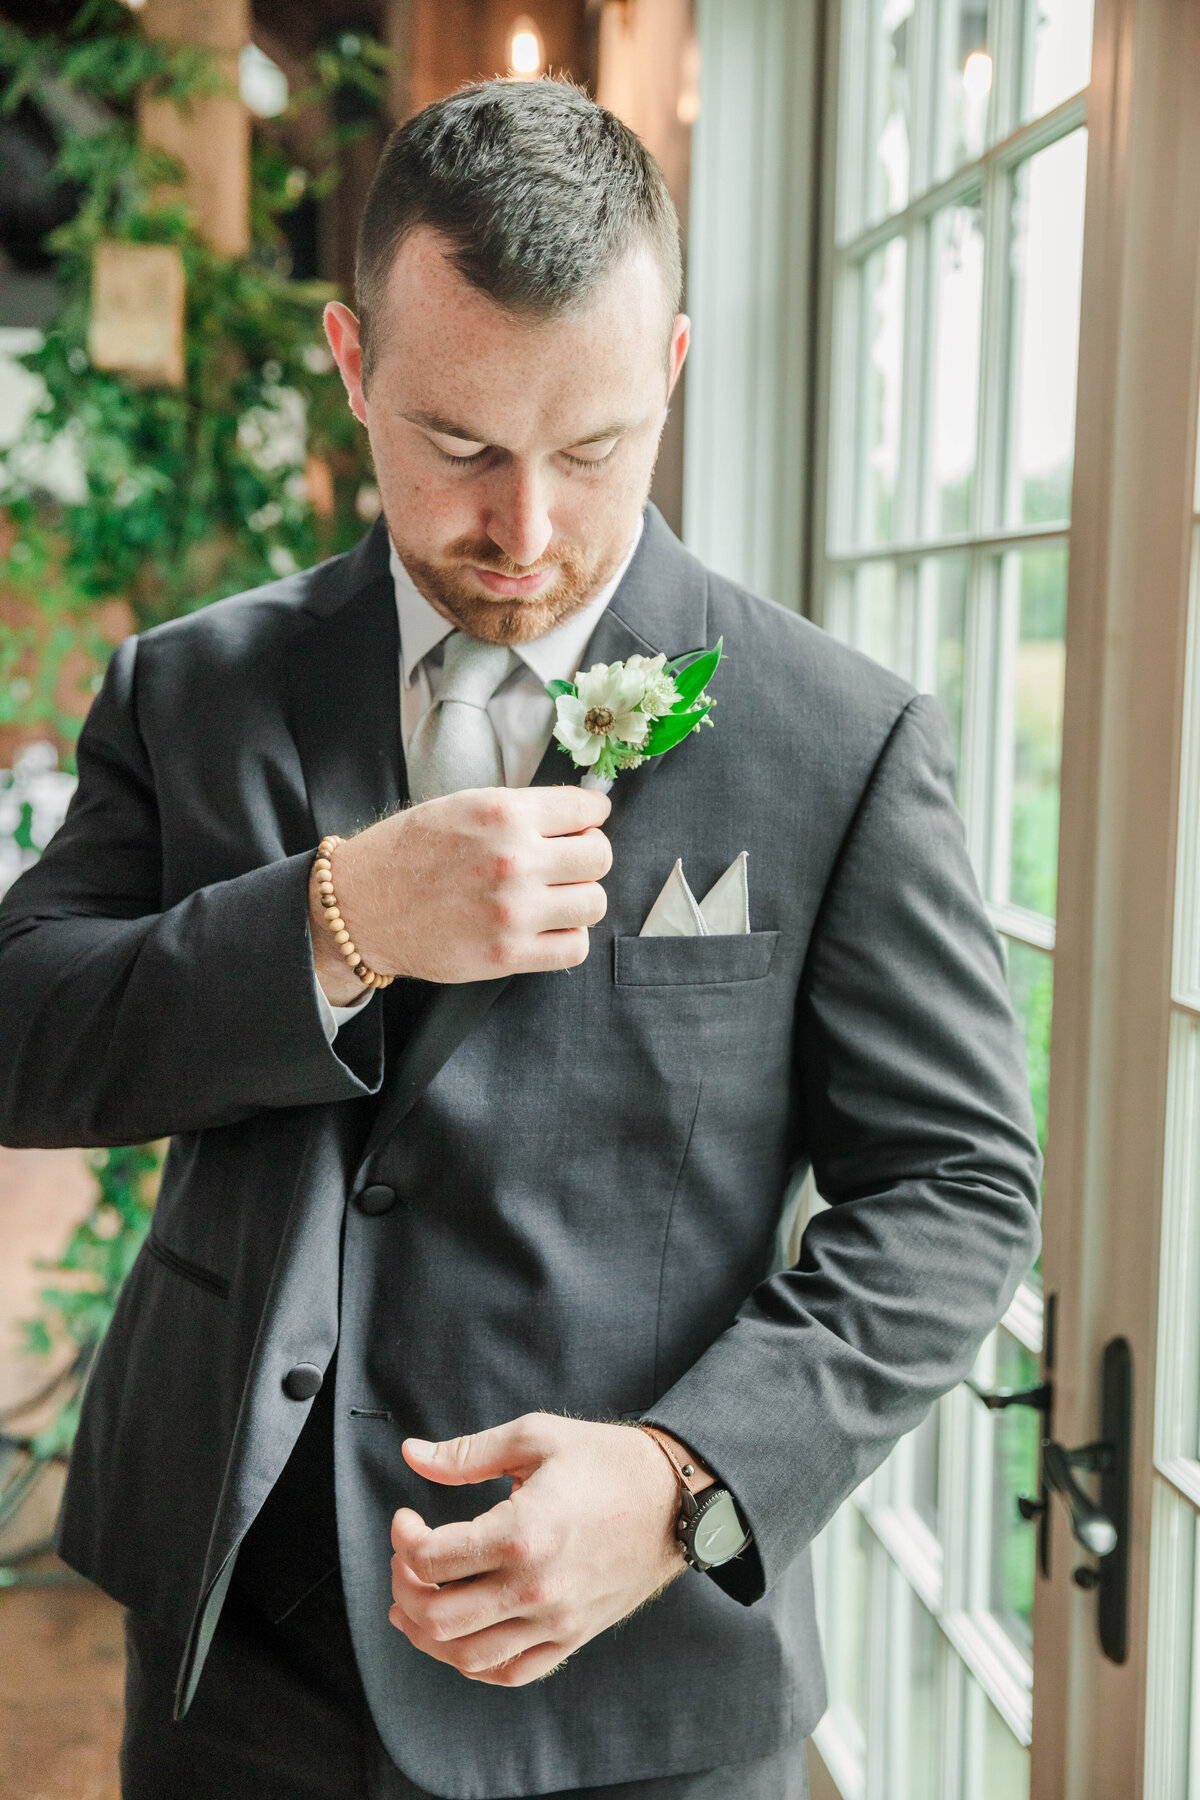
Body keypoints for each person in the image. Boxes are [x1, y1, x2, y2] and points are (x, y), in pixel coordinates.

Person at [0, 76, 1042, 1800]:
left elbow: (959, 1191)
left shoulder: (838, 745)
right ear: (351, 366)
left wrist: (683, 1476)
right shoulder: (191, 690)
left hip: (635, 1692)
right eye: (464, 447)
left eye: (596, 450)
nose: (529, 534)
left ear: (676, 373)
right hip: (239, 1657)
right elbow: (22, 1028)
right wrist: (336, 920)